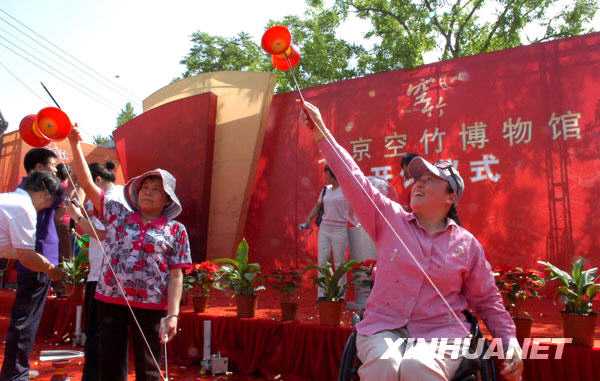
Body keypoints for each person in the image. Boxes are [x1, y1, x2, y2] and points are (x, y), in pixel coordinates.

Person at [302, 101, 522, 381]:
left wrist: (508, 339)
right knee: (386, 364)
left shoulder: (466, 245)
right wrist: (322, 131)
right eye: (417, 178)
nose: (418, 183)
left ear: (450, 197)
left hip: (443, 332)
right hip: (384, 328)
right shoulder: (389, 218)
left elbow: (488, 300)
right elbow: (354, 179)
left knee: (418, 368)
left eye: (430, 180)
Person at [67, 127, 192, 381]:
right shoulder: (117, 214)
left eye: (156, 189)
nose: (148, 191)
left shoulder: (176, 230)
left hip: (151, 306)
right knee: (109, 366)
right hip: (110, 301)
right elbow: (89, 184)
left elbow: (176, 275)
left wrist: (173, 314)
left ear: (167, 199)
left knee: (149, 369)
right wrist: (74, 144)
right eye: (145, 186)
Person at [1, 148, 66, 381]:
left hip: (35, 258)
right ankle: (15, 374)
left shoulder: (16, 197)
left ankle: (16, 370)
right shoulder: (25, 206)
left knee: (26, 318)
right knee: (25, 320)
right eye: (52, 167)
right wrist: (51, 269)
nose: (56, 171)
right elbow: (28, 256)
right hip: (35, 261)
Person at [346, 176, 397, 311]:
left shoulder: (386, 217)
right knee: (362, 267)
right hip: (360, 230)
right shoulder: (358, 215)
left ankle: (381, 301)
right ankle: (362, 298)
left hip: (378, 230)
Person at [300, 165, 351, 299]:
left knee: (339, 263)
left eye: (326, 174)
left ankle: (340, 295)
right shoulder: (325, 190)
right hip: (325, 229)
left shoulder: (345, 190)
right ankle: (322, 295)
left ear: (333, 175)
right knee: (322, 262)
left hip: (340, 229)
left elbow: (354, 209)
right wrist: (307, 221)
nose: (324, 177)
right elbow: (317, 208)